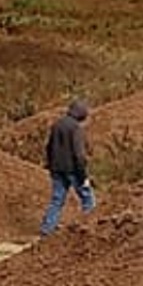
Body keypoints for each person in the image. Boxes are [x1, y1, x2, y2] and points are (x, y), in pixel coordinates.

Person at [40, 99, 96, 236]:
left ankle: (46, 229)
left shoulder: (57, 124)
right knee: (88, 199)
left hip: (56, 169)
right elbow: (79, 154)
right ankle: (89, 228)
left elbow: (49, 147)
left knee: (57, 200)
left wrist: (50, 164)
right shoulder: (76, 128)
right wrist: (83, 176)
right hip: (73, 170)